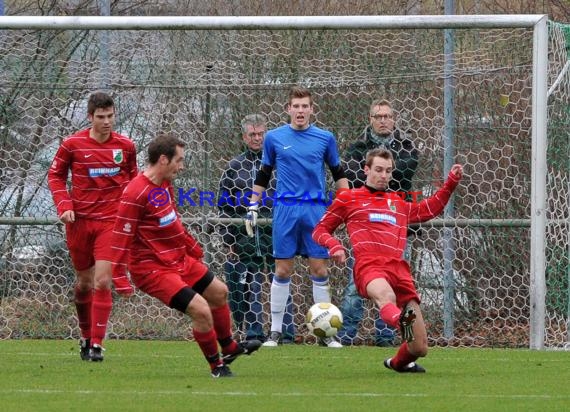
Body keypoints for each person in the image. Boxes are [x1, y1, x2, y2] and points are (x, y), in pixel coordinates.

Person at [110, 133, 261, 378]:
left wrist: (190, 246)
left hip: (177, 259)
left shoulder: (164, 185)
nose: (182, 166)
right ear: (163, 160)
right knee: (201, 310)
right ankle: (217, 367)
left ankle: (230, 347)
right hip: (152, 268)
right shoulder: (135, 192)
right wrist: (119, 276)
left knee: (219, 292)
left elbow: (172, 220)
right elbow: (119, 238)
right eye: (179, 160)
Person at [313, 148, 463, 372]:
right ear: (366, 170)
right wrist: (335, 246)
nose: (383, 176)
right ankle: (401, 321)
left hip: (399, 270)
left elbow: (429, 209)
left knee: (419, 347)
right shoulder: (349, 198)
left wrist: (450, 182)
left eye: (388, 171)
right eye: (379, 170)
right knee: (386, 296)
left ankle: (396, 363)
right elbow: (320, 230)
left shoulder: (398, 203)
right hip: (369, 266)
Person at [246, 86, 349, 348]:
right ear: (288, 109)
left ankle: (326, 334)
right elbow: (264, 174)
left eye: (305, 106)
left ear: (312, 109)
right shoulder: (274, 138)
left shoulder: (325, 138)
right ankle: (275, 332)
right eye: (296, 106)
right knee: (282, 269)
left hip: (315, 210)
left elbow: (338, 172)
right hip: (286, 210)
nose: (300, 111)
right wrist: (253, 205)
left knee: (320, 269)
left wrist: (349, 205)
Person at [47, 91, 138, 362]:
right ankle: (86, 336)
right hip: (79, 224)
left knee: (102, 280)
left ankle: (97, 344)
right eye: (101, 117)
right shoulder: (72, 145)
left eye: (110, 116)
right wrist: (64, 205)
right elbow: (55, 176)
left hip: (110, 222)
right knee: (84, 284)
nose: (107, 121)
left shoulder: (126, 146)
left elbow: (134, 181)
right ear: (90, 117)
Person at [339, 99, 419, 346]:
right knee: (356, 285)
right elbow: (350, 172)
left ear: (394, 119)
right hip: (368, 228)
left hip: (396, 229)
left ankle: (388, 338)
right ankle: (344, 336)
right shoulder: (357, 147)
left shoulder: (407, 146)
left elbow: (407, 169)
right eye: (378, 116)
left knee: (399, 287)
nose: (383, 120)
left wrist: (378, 171)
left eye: (387, 116)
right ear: (370, 119)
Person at [217, 114, 295, 343]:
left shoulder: (281, 164)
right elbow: (224, 207)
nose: (257, 138)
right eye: (253, 134)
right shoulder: (234, 167)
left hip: (276, 233)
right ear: (244, 137)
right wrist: (229, 241)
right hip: (245, 236)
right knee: (250, 285)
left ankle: (285, 333)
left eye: (261, 134)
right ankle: (254, 333)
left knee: (281, 280)